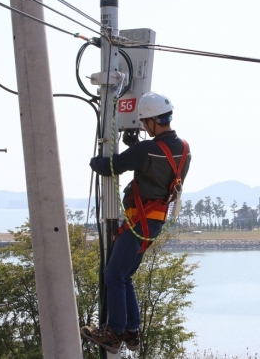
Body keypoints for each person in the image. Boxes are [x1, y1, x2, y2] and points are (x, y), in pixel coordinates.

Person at [81, 92, 191, 353]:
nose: (143, 127)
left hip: (139, 222)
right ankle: (131, 330)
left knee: (113, 275)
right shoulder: (185, 149)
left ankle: (115, 332)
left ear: (152, 122)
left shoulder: (147, 149)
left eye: (144, 123)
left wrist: (94, 160)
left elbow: (111, 165)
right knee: (124, 275)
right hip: (153, 222)